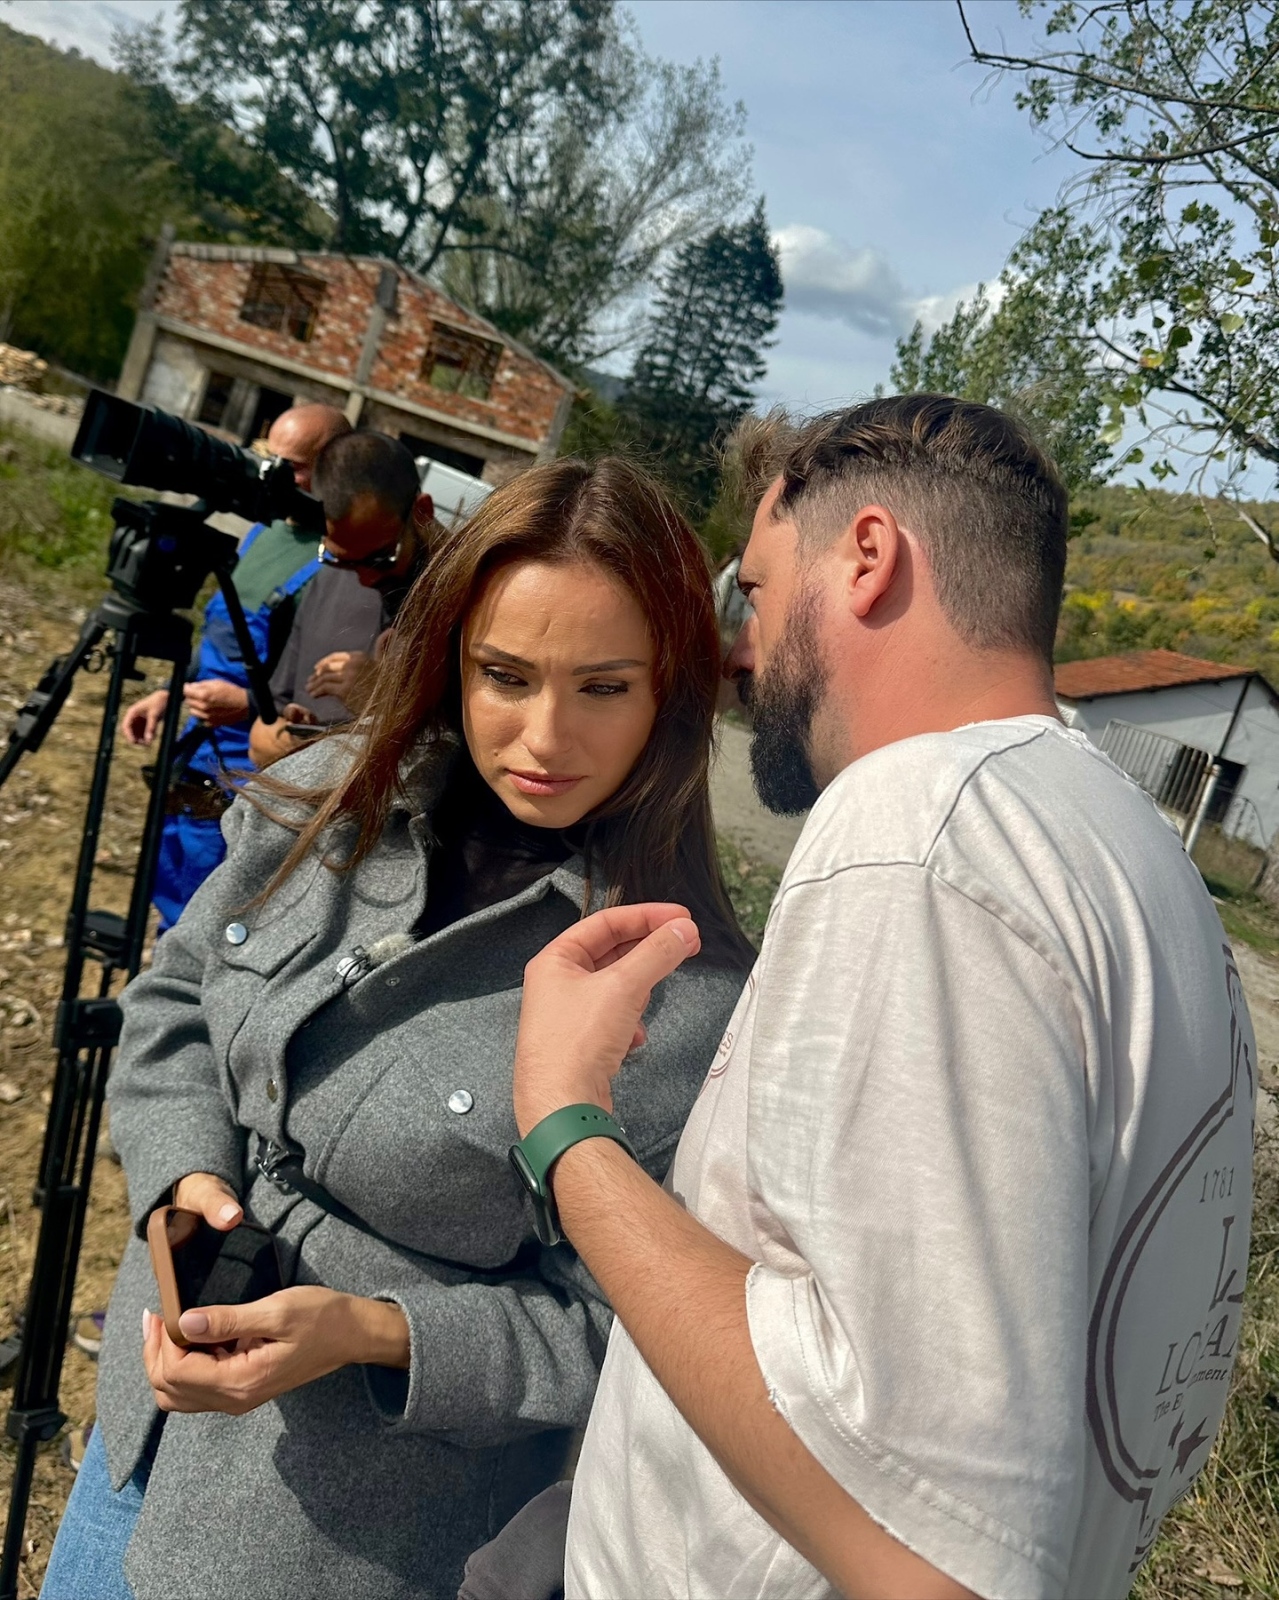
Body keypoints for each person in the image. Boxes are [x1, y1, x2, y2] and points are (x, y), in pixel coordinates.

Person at [499, 396, 1258, 1599]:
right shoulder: (1132, 851)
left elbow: (927, 1547)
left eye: (755, 591)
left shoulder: (920, 827)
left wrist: (564, 1125)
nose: (739, 650)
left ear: (865, 556)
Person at [39, 457, 752, 1600]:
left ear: (671, 692)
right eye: (505, 675)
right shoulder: (329, 793)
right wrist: (188, 1183)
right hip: (142, 1437)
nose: (545, 734)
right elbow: (175, 999)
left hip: (336, 1548)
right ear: (450, 652)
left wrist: (377, 1330)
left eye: (603, 686)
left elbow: (621, 1329)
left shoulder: (688, 994)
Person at [121, 403, 350, 930]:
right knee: (169, 899)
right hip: (195, 753)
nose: (272, 475)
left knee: (214, 916)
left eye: (292, 467)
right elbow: (221, 642)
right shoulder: (260, 535)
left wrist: (246, 705)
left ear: (334, 466)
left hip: (254, 772)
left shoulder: (338, 560)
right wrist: (173, 693)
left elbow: (330, 698)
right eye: (270, 458)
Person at [249, 430, 435, 769]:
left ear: (422, 512)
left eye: (380, 558)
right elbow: (269, 723)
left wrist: (382, 700)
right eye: (342, 560)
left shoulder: (469, 600)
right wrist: (294, 735)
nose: (365, 578)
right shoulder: (330, 576)